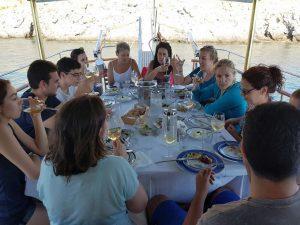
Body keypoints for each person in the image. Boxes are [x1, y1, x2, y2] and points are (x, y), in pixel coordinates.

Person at [148, 102, 300, 225]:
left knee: (157, 201)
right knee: (221, 191)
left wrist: (200, 194)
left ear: (243, 152)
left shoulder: (217, 219)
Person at [37, 95, 148, 225]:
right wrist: (124, 162)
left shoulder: (47, 163)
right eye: (106, 119)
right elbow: (139, 205)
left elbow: (45, 198)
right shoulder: (116, 166)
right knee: (159, 201)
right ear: (101, 131)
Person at [0, 79, 49, 225]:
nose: (21, 101)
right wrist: (32, 157)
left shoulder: (8, 122)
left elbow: (42, 149)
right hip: (11, 207)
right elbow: (34, 173)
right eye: (14, 98)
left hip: (23, 192)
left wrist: (36, 115)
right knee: (63, 217)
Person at [225, 65, 284, 141]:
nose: (242, 94)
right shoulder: (254, 106)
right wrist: (236, 120)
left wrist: (234, 135)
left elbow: (256, 150)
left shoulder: (268, 119)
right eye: (242, 90)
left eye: (246, 91)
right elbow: (247, 117)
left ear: (263, 90)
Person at [15, 60, 61, 136]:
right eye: (56, 81)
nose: (59, 84)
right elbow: (64, 124)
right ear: (43, 84)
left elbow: (63, 108)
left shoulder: (48, 96)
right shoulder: (28, 104)